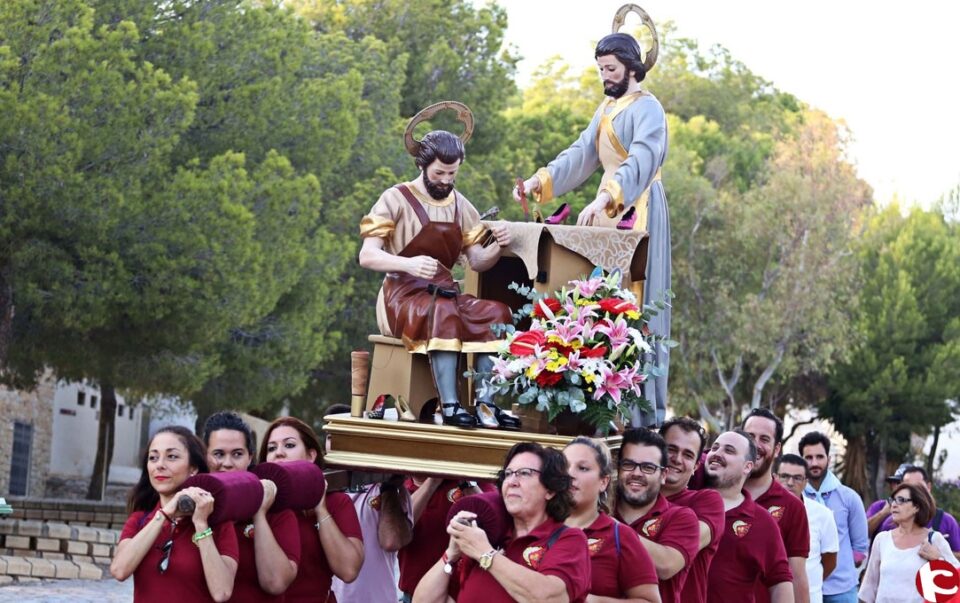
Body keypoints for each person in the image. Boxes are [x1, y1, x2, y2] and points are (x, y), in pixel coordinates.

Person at [514, 24, 670, 427]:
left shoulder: (648, 108)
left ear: (632, 68)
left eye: (611, 69)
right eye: (601, 69)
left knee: (632, 302)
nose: (605, 77)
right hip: (607, 208)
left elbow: (641, 158)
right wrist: (539, 181)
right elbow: (581, 155)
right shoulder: (606, 110)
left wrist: (607, 198)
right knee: (595, 298)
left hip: (637, 205)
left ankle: (635, 412)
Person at [359, 103, 519, 430]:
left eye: (452, 174)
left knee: (498, 313)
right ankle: (450, 405)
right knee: (444, 313)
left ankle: (486, 404)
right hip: (401, 296)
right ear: (423, 166)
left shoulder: (462, 205)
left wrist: (498, 245)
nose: (446, 181)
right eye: (439, 174)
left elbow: (477, 261)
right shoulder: (395, 198)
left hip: (445, 293)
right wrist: (408, 264)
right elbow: (367, 255)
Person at [413, 442, 591, 602]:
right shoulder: (488, 536)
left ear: (550, 490)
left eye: (524, 473)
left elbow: (549, 599)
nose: (512, 481)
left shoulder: (570, 539)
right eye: (508, 474)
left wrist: (485, 553)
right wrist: (450, 555)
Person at [110, 426, 239, 602]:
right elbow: (119, 570)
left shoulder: (219, 523)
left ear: (193, 468)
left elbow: (222, 592)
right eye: (153, 457)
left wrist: (201, 524)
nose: (160, 465)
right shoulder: (139, 520)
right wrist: (164, 515)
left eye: (172, 456)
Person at [259, 416, 364, 602]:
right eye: (271, 448)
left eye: (289, 445)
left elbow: (349, 571)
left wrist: (320, 509)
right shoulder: (258, 505)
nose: (279, 453)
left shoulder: (337, 503)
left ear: (311, 455)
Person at [202, 411, 299, 602]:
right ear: (205, 456)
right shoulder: (190, 512)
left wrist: (259, 514)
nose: (227, 464)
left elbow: (275, 583)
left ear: (250, 457)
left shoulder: (278, 515)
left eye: (237, 454)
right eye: (218, 454)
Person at [563, 436, 661, 602]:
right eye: (564, 466)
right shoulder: (537, 525)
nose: (570, 474)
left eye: (583, 468)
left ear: (603, 481)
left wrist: (585, 600)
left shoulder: (620, 536)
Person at [704, 429, 793, 603]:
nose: (717, 454)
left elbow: (780, 581)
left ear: (747, 466)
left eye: (729, 450)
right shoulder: (686, 506)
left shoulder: (762, 522)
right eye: (714, 448)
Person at [613, 428, 699, 603]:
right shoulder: (600, 510)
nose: (637, 473)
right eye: (629, 464)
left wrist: (610, 528)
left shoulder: (682, 517)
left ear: (663, 475)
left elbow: (666, 566)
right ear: (618, 468)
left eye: (648, 467)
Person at [742, 409, 810, 603]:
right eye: (750, 436)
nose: (755, 444)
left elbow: (797, 576)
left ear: (777, 448)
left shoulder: (792, 507)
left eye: (764, 439)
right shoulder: (714, 493)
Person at [658, 417, 725, 603]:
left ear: (696, 466)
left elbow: (667, 564)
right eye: (671, 449)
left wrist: (613, 529)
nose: (677, 459)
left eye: (688, 455)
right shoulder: (628, 496)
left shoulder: (706, 502)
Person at [858, 482, 959, 602]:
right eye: (893, 500)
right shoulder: (882, 539)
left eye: (901, 500)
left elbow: (955, 579)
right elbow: (869, 587)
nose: (894, 505)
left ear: (917, 507)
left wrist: (938, 559)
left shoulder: (934, 539)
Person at [798, 431, 868, 603]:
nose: (814, 463)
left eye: (820, 457)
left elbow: (860, 547)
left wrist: (840, 565)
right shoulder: (795, 500)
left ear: (828, 459)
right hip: (804, 588)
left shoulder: (849, 497)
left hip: (842, 591)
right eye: (808, 457)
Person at [398, 477, 489, 602]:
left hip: (463, 595)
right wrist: (432, 481)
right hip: (416, 595)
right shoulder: (400, 485)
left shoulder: (474, 480)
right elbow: (397, 533)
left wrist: (466, 482)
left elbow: (492, 523)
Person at [774, 454, 839, 603]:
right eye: (784, 476)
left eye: (797, 478)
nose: (790, 483)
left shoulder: (823, 515)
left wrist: (808, 580)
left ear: (805, 482)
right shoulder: (762, 511)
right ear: (775, 477)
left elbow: (830, 560)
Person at [866, 464, 960, 558]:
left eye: (917, 486)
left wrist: (939, 555)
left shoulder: (945, 522)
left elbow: (956, 560)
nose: (911, 492)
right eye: (905, 486)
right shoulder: (888, 524)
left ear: (928, 487)